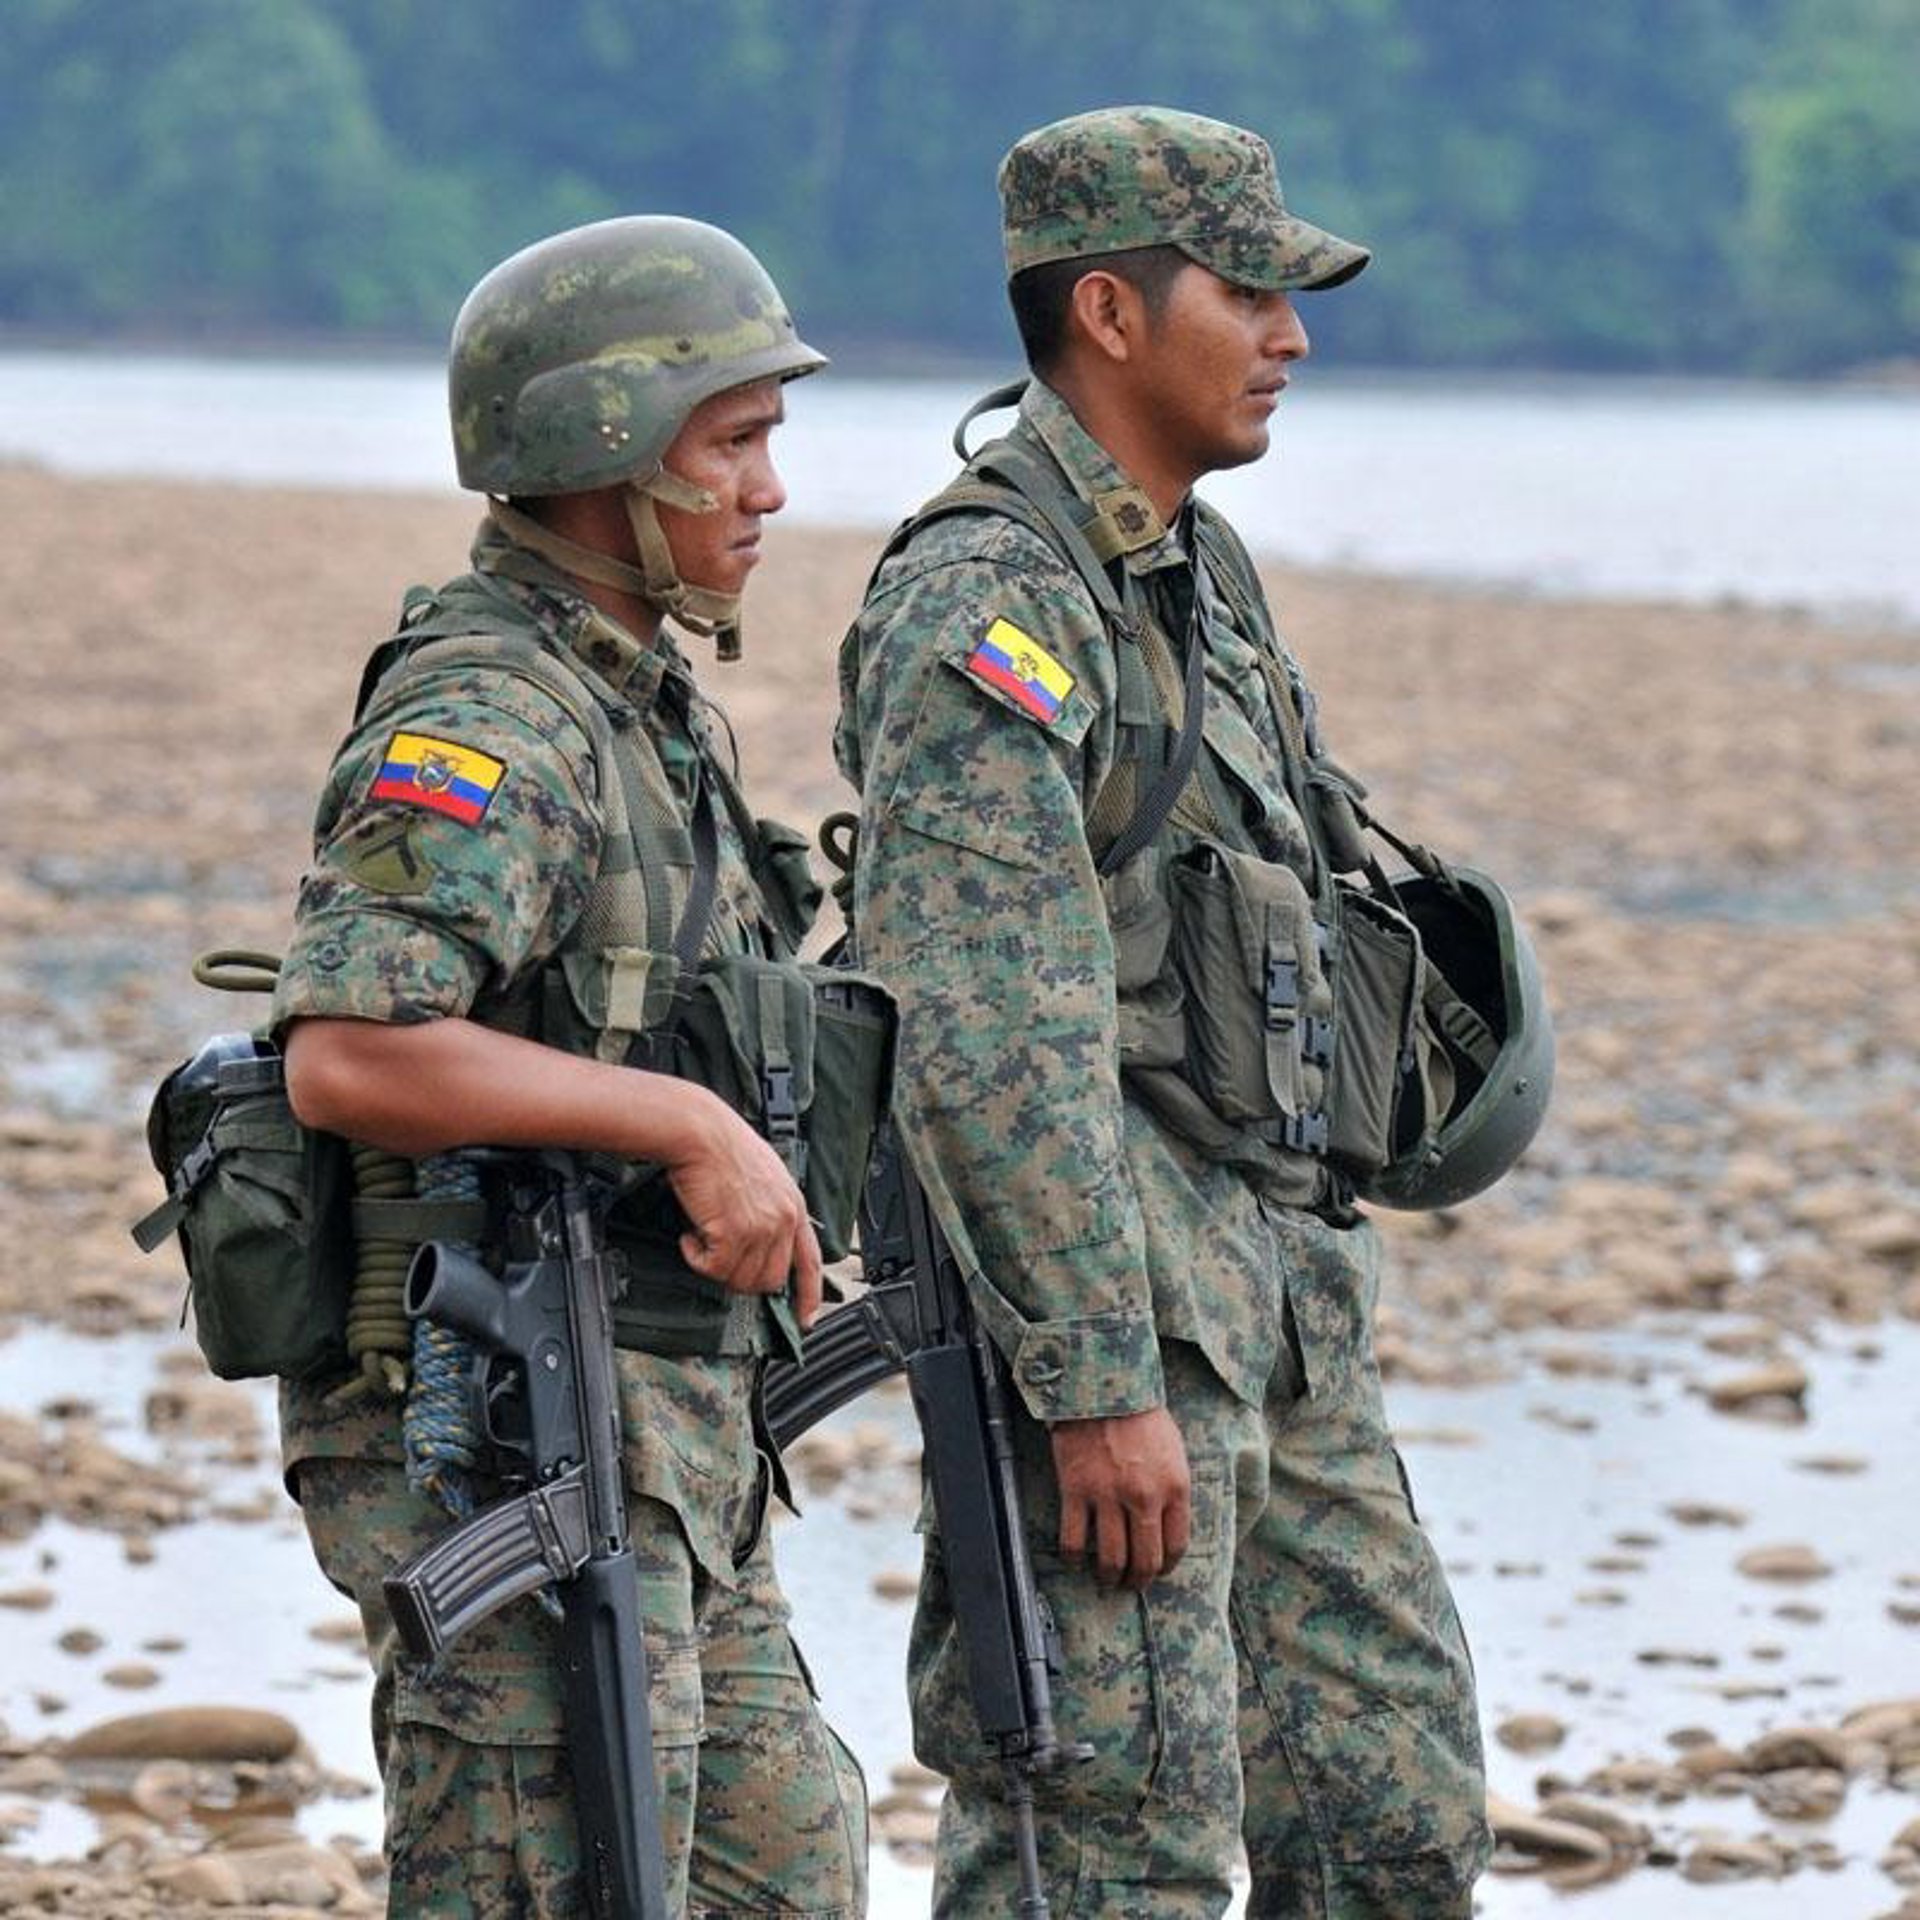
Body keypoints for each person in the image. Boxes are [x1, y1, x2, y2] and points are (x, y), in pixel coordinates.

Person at [835, 108, 1499, 1916]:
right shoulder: (986, 600)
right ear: (1111, 315)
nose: (1292, 336)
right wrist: (1090, 1381)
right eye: (1251, 294)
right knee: (1108, 1849)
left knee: (1393, 1822)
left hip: (1280, 1304)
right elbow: (985, 1028)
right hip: (1122, 1322)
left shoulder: (1197, 570)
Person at [272, 216, 867, 1917]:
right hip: (504, 1428)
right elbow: (350, 1050)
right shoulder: (496, 714)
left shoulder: (634, 701)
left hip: (662, 1432)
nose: (768, 489)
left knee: (789, 1874)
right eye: (733, 442)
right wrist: (679, 1121)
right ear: (607, 448)